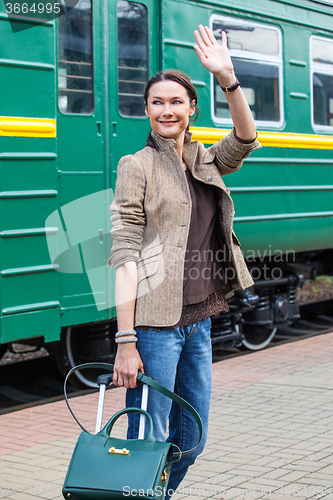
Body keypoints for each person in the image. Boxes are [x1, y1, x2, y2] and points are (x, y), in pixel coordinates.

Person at [107, 25, 261, 498]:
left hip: (198, 323)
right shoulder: (138, 165)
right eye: (157, 102)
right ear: (148, 110)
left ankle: (158, 493)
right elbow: (125, 254)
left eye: (177, 101)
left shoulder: (204, 159)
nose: (167, 110)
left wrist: (228, 77)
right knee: (147, 439)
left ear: (192, 108)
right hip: (154, 329)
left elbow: (246, 137)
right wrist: (126, 340)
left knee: (191, 440)